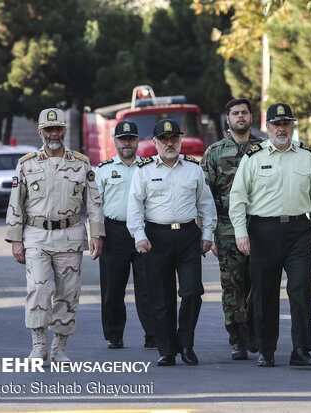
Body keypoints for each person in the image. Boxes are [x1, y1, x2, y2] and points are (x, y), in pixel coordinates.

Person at [229, 102, 311, 368]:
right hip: (264, 231)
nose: (282, 128)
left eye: (286, 124)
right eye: (277, 124)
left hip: (299, 230)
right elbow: (238, 198)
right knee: (264, 293)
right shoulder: (253, 157)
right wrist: (241, 233)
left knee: (301, 291)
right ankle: (266, 349)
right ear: (268, 127)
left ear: (292, 126)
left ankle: (301, 349)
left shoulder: (307, 156)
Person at [5, 108, 104, 364]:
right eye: (48, 129)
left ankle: (59, 347)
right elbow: (15, 203)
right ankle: (39, 346)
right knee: (38, 289)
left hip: (70, 236)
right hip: (36, 236)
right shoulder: (27, 164)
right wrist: (16, 239)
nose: (53, 134)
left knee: (68, 293)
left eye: (58, 128)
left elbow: (93, 202)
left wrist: (97, 234)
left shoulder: (81, 163)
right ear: (40, 132)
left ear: (64, 130)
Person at [127, 119, 217, 367]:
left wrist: (207, 233)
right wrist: (139, 235)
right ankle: (167, 350)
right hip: (156, 237)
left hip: (188, 236)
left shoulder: (193, 169)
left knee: (192, 292)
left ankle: (186, 344)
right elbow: (134, 206)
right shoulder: (144, 170)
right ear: (154, 143)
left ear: (180, 141)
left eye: (174, 139)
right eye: (164, 139)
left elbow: (206, 204)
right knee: (161, 296)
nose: (170, 143)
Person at [201, 98, 263, 360]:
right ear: (227, 119)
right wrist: (211, 234)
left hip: (259, 226)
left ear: (251, 117)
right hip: (226, 228)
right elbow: (205, 197)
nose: (240, 117)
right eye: (235, 113)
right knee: (232, 284)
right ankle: (237, 336)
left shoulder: (263, 149)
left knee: (259, 282)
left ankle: (255, 330)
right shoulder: (215, 152)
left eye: (244, 113)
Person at [95, 121, 155, 349]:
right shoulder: (103, 169)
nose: (127, 143)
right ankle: (114, 334)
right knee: (112, 288)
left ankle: (153, 334)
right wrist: (97, 235)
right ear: (115, 142)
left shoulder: (148, 167)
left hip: (144, 231)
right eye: (122, 139)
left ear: (137, 140)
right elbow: (95, 206)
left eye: (130, 138)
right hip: (114, 232)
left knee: (148, 286)